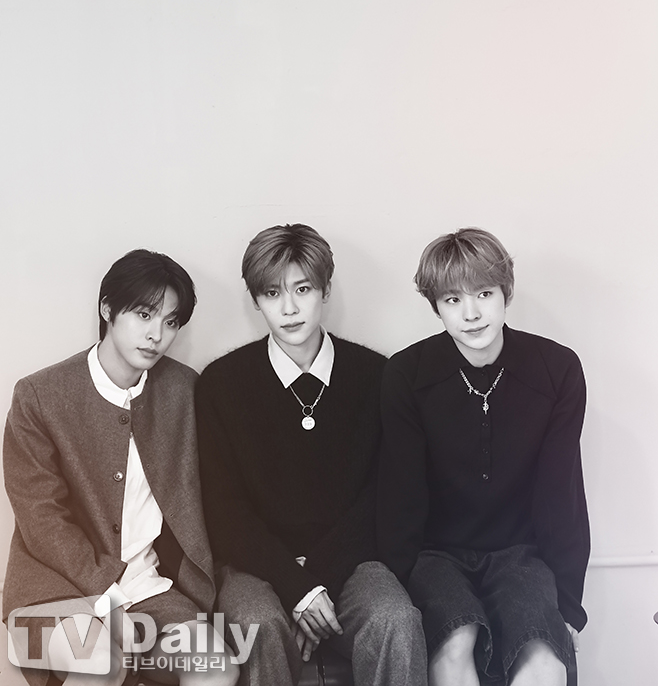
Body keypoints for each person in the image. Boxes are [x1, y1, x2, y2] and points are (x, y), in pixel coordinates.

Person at [196, 223, 427, 686]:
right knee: (259, 625)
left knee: (396, 620)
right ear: (256, 300)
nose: (289, 308)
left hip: (353, 563)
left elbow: (382, 496)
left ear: (325, 290)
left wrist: (314, 584)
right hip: (256, 567)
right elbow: (225, 512)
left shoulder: (377, 375)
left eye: (302, 289)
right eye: (272, 293)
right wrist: (297, 588)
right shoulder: (221, 383)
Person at [3, 249, 238, 686]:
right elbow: (42, 519)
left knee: (218, 669)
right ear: (107, 308)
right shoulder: (39, 396)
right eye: (144, 315)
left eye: (170, 322)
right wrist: (107, 600)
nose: (156, 335)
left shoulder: (183, 390)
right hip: (54, 590)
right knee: (102, 665)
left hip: (148, 588)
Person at [377, 228, 590, 686]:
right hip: (436, 554)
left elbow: (561, 492)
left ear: (505, 292)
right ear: (436, 306)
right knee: (456, 642)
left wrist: (569, 603)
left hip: (521, 553)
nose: (471, 314)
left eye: (484, 294)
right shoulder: (407, 374)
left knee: (544, 658)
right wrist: (397, 588)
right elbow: (402, 495)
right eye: (452, 299)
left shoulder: (557, 370)